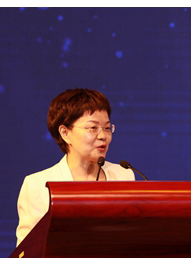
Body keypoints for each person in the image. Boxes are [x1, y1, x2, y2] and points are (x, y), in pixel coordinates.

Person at [16, 88, 134, 245]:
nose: (103, 136)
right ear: (65, 133)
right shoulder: (37, 185)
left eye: (107, 128)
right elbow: (27, 253)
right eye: (93, 128)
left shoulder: (123, 175)